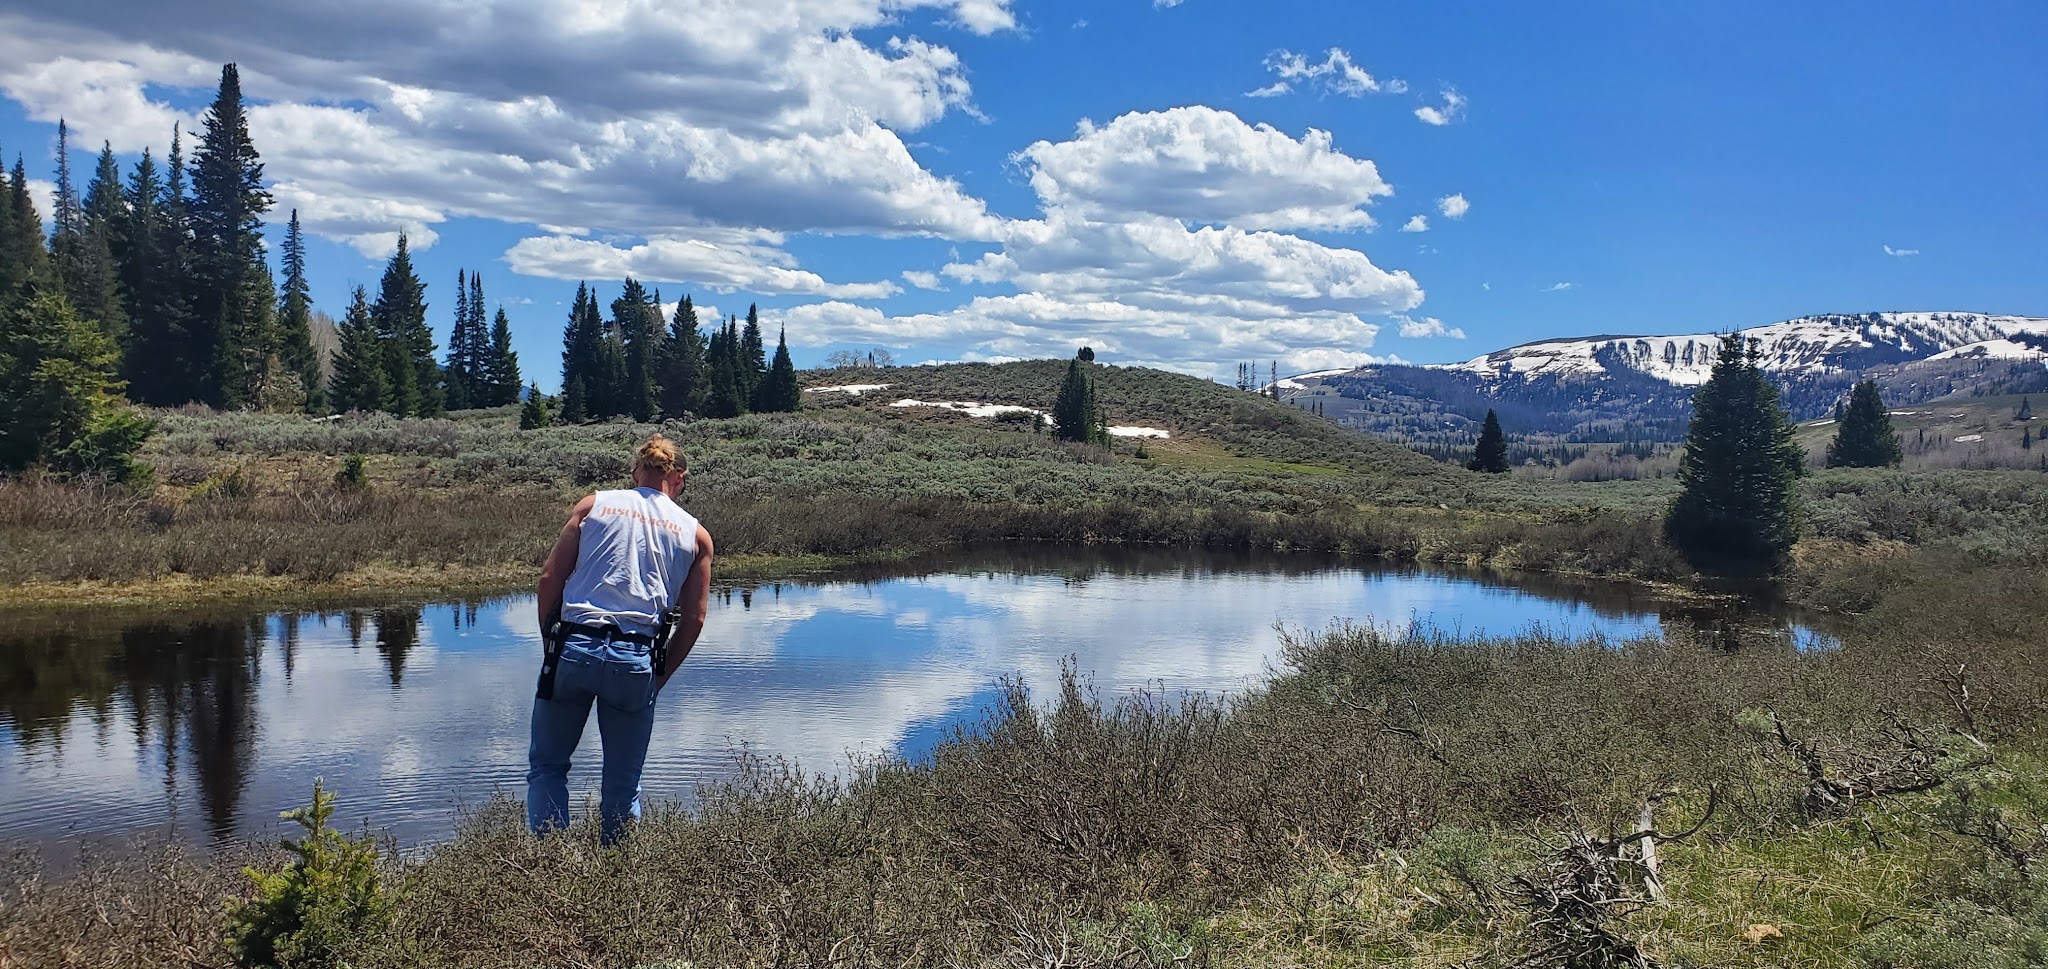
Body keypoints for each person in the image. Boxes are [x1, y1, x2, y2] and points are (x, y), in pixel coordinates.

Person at [526, 434, 713, 842]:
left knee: (548, 768)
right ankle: (617, 880)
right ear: (678, 479)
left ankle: (548, 869)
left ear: (635, 473)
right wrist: (658, 677)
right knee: (623, 786)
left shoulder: (594, 505)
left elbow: (548, 580)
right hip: (636, 659)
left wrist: (551, 647)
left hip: (573, 648)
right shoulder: (696, 535)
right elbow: (695, 619)